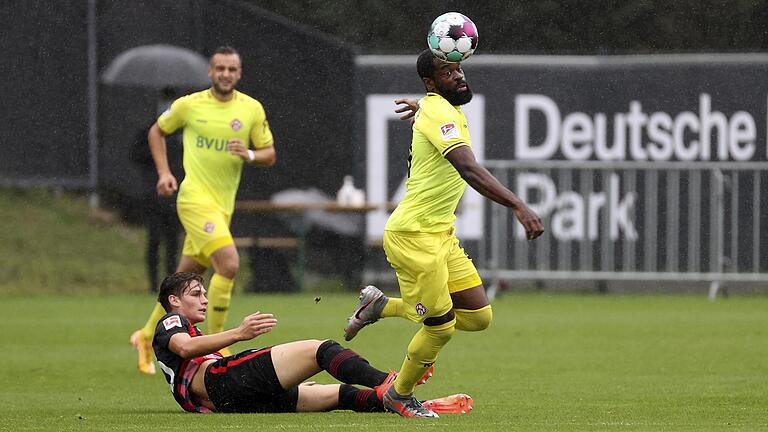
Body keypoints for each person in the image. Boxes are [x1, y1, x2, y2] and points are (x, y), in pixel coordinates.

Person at [343, 49, 545, 418]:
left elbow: (438, 120)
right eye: (448, 71)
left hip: (440, 235)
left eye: (459, 68)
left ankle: (381, 306)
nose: (459, 75)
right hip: (413, 236)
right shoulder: (436, 110)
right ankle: (398, 395)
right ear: (430, 82)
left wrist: (424, 107)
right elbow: (467, 167)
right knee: (441, 327)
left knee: (479, 316)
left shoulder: (441, 110)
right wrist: (519, 205)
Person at [130, 46, 276, 374]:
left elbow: (269, 153)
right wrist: (165, 173)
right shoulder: (189, 105)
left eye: (232, 69)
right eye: (220, 68)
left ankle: (145, 335)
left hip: (222, 208)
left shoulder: (251, 109)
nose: (226, 74)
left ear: (239, 74)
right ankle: (220, 344)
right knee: (229, 264)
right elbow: (157, 131)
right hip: (194, 200)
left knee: (182, 284)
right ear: (210, 72)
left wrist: (249, 155)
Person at [153, 271, 473, 415]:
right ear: (173, 301)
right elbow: (183, 347)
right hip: (222, 382)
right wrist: (238, 333)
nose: (205, 300)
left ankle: (412, 403)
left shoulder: (186, 328)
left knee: (340, 395)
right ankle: (392, 384)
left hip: (231, 401)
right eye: (196, 294)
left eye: (205, 293)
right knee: (320, 350)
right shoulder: (171, 321)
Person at [129, 119, 181, 293]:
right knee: (154, 240)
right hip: (154, 197)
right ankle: (153, 285)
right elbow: (135, 155)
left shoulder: (183, 131)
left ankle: (171, 285)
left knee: (173, 243)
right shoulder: (150, 130)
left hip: (177, 197)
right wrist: (157, 153)